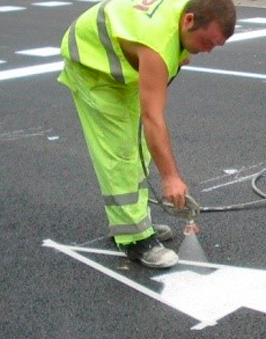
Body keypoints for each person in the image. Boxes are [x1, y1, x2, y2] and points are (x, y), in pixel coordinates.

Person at [58, 0, 236, 268]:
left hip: (124, 62)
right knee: (119, 152)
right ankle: (134, 238)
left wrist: (180, 52)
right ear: (188, 21)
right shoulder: (156, 45)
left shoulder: (187, 15)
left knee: (139, 146)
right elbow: (153, 117)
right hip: (92, 64)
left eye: (215, 45)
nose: (208, 51)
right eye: (207, 42)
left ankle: (134, 219)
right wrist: (170, 178)